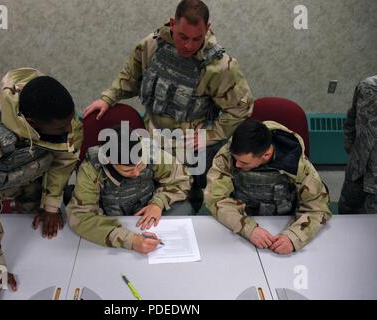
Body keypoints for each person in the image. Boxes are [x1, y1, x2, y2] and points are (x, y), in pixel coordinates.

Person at [83, 0, 253, 211]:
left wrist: (210, 135)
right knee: (144, 194)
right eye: (183, 37)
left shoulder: (220, 66)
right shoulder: (152, 46)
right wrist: (108, 98)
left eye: (196, 38)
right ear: (173, 24)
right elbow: (130, 77)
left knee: (183, 203)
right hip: (151, 136)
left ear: (207, 29)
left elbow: (241, 107)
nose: (189, 45)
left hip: (190, 145)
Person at [0, 67, 82, 300]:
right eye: (62, 129)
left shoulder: (59, 113)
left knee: (43, 246)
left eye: (71, 122)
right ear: (30, 122)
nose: (70, 130)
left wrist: (50, 206)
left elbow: (64, 159)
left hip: (32, 179)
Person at [204, 119, 332, 254]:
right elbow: (215, 199)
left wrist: (294, 237)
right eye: (236, 159)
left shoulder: (297, 165)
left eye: (244, 162)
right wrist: (247, 228)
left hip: (283, 224)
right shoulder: (228, 155)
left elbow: (318, 208)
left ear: (266, 155)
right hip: (241, 224)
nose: (237, 165)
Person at [66, 125, 192, 254]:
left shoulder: (151, 152)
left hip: (149, 212)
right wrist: (129, 240)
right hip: (111, 220)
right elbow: (81, 217)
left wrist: (158, 203)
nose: (137, 173)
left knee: (185, 208)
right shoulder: (91, 170)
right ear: (109, 161)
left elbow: (182, 179)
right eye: (128, 170)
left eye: (139, 165)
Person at [338, 75, 377, 214]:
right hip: (357, 169)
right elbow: (352, 117)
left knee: (370, 227)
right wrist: (350, 147)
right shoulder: (367, 86)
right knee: (346, 215)